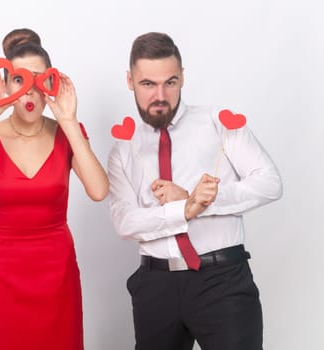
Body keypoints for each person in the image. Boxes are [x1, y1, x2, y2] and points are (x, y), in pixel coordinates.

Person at [107, 32, 282, 350]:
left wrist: (208, 199)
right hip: (155, 285)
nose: (160, 95)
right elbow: (124, 221)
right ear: (130, 81)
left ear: (183, 78)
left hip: (222, 281)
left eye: (170, 83)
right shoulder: (123, 149)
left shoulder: (219, 124)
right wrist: (185, 208)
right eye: (148, 84)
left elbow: (270, 183)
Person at [0, 28, 109, 350]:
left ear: (51, 86)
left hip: (56, 271)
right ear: (6, 84)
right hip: (3, 272)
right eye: (20, 80)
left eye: (40, 81)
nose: (30, 93)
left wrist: (70, 121)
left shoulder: (67, 133)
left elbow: (99, 191)